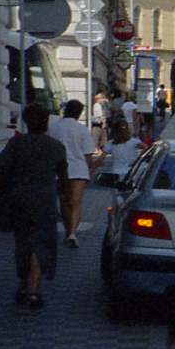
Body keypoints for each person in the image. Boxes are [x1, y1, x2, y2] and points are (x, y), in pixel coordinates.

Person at [0, 102, 69, 309]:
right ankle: (34, 291)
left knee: (23, 243)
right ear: (46, 122)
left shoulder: (16, 144)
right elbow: (64, 180)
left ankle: (23, 286)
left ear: (25, 121)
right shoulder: (56, 146)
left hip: (20, 200)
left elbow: (0, 165)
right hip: (45, 202)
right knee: (41, 244)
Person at [49, 99, 104, 248]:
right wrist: (89, 170)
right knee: (76, 203)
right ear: (79, 113)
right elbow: (88, 154)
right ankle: (73, 233)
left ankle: (67, 232)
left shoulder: (53, 128)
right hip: (78, 170)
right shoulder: (81, 129)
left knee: (64, 203)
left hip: (59, 171)